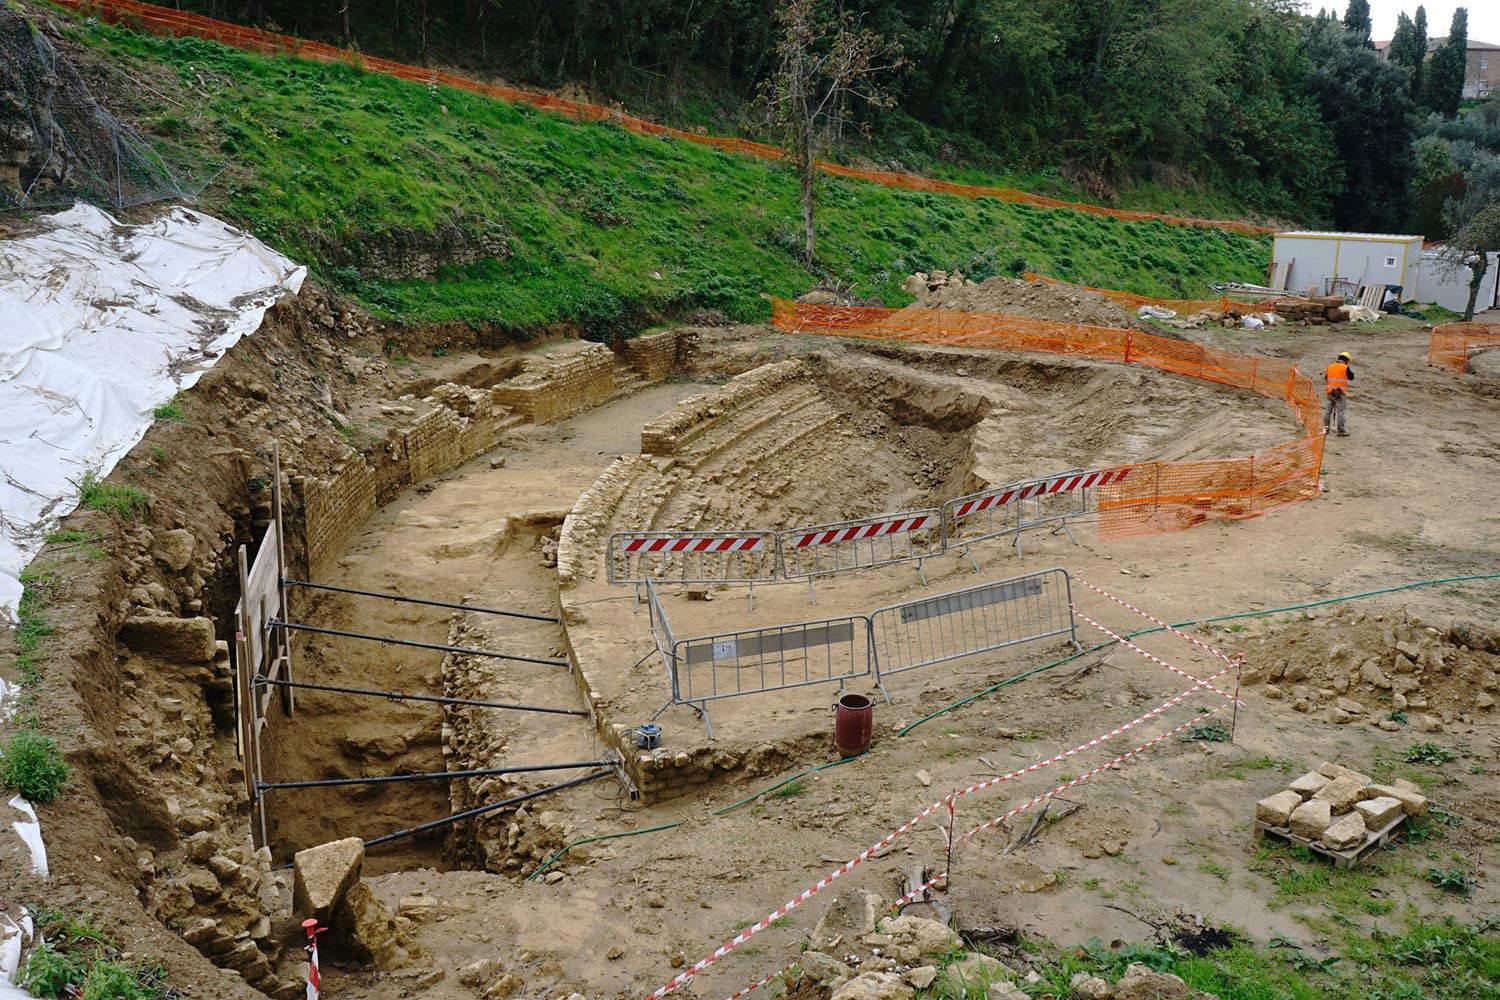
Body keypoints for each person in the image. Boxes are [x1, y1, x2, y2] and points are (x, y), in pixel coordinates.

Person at [1324, 351, 1353, 436]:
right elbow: (1351, 377)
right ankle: (1341, 431)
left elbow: (1326, 378)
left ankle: (1326, 430)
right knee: (1341, 412)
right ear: (1347, 360)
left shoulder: (1330, 366)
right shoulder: (1345, 367)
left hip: (1330, 392)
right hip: (1340, 393)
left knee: (1327, 412)